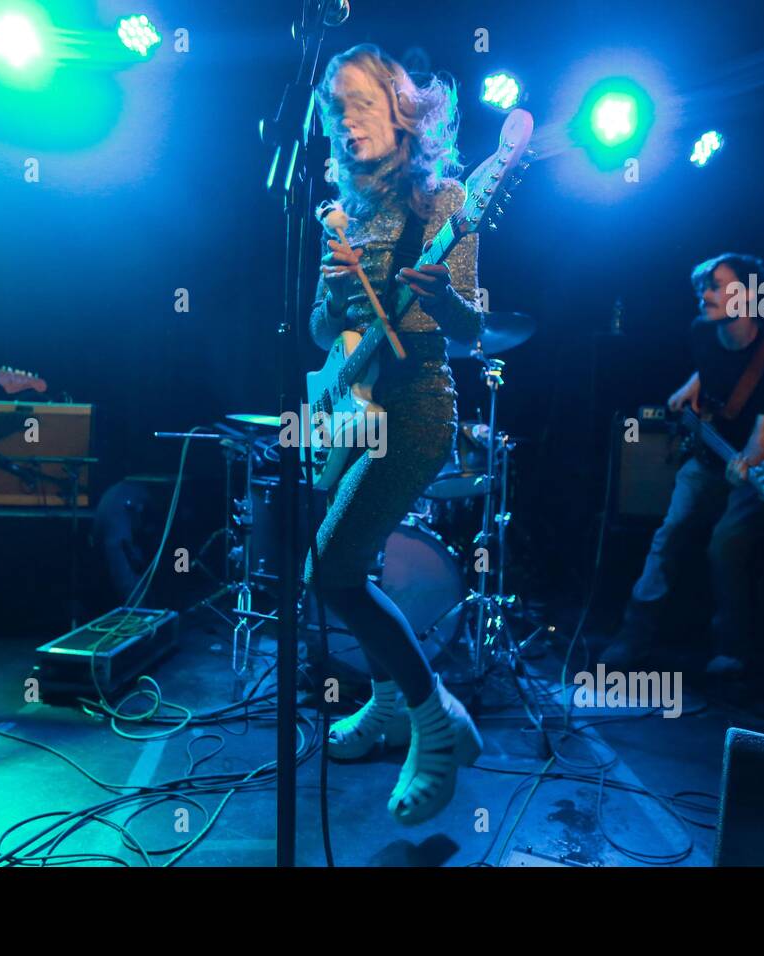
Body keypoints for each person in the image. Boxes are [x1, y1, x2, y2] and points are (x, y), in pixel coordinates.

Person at [306, 45, 484, 826]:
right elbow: (320, 330)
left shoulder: (442, 202)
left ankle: (436, 725)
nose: (347, 120)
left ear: (401, 109)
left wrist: (444, 300)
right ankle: (382, 707)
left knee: (334, 569)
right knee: (354, 563)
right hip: (354, 409)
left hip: (416, 408)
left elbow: (471, 329)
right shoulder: (342, 215)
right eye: (334, 109)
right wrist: (337, 300)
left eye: (361, 102)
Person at [601, 253, 764, 678]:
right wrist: (692, 385)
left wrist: (746, 461)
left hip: (750, 469)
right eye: (703, 287)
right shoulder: (701, 332)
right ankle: (634, 637)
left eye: (716, 286)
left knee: (725, 543)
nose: (704, 295)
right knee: (669, 533)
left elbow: (760, 442)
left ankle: (732, 648)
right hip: (706, 457)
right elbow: (710, 367)